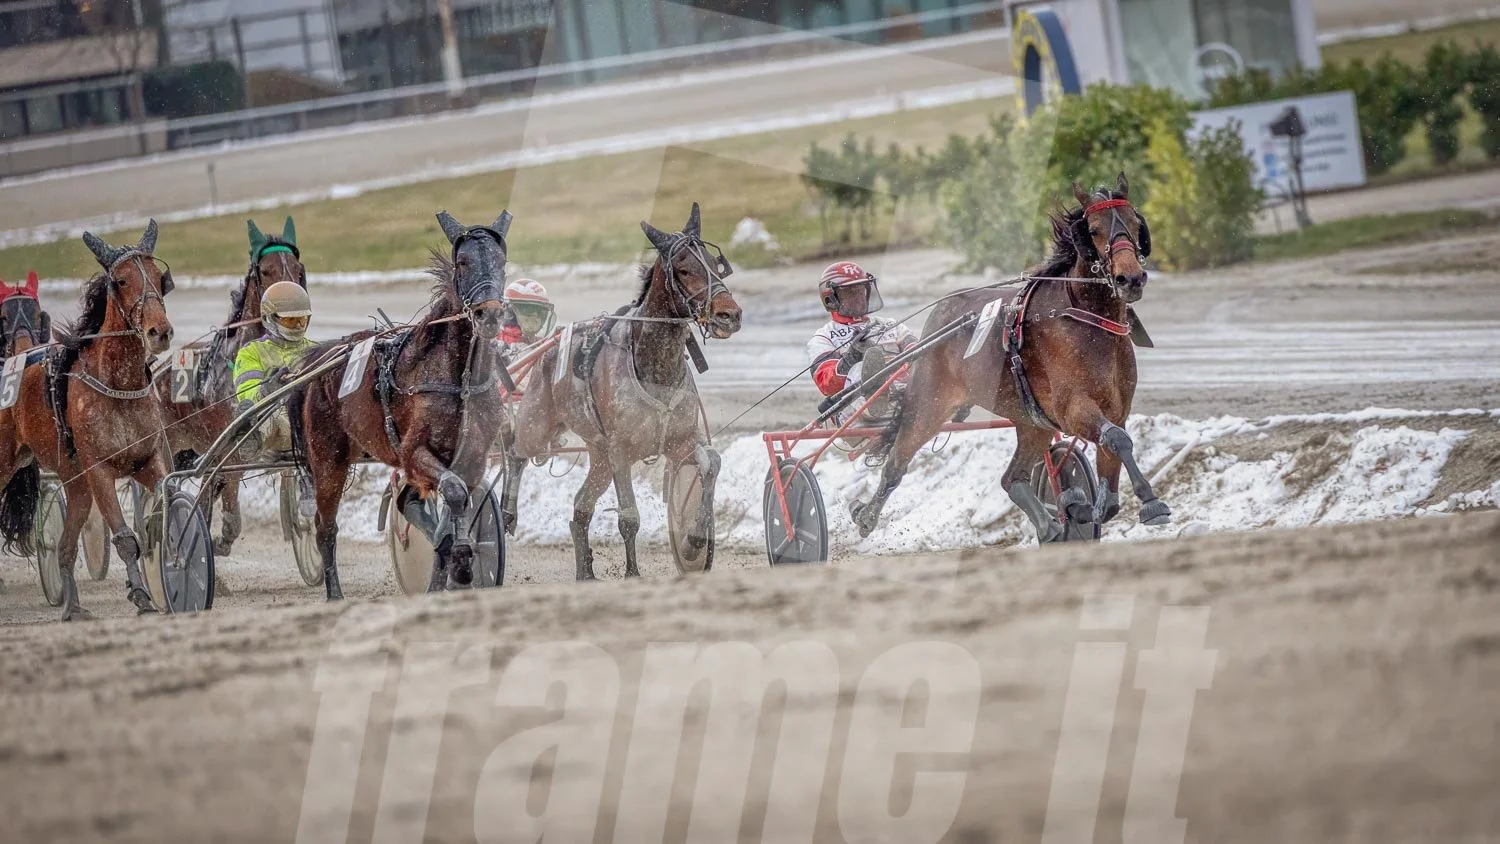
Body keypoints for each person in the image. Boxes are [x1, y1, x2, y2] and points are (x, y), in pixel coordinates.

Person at [233, 281, 319, 518]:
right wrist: (269, 388)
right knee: (273, 415)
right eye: (291, 320)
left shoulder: (317, 350)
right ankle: (251, 439)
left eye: (302, 319)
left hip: (311, 423)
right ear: (270, 318)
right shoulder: (251, 353)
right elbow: (246, 393)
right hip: (275, 425)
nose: (298, 324)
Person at [806, 261, 917, 424]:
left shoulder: (890, 324)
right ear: (831, 300)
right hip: (853, 414)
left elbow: (916, 348)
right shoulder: (823, 337)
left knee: (927, 358)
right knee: (859, 368)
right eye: (850, 293)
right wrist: (852, 356)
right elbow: (827, 384)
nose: (858, 298)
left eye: (861, 291)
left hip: (906, 397)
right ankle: (878, 397)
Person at [498, 278, 557, 350]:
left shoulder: (541, 343)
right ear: (510, 312)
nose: (535, 317)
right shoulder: (498, 344)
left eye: (540, 312)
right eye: (528, 310)